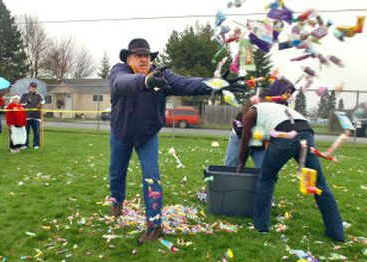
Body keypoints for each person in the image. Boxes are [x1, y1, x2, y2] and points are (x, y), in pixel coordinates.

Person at [109, 38, 217, 244]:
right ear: (128, 59)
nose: (143, 60)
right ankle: (117, 202)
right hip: (121, 133)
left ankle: (154, 225)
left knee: (152, 176)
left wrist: (216, 85)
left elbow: (186, 84)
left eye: (147, 56)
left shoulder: (161, 75)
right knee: (116, 173)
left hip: (147, 135)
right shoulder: (119, 71)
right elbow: (120, 84)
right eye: (138, 56)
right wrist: (145, 81)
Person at [237, 102, 345, 242]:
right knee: (319, 184)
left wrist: (242, 162)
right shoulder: (273, 108)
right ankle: (337, 234)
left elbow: (246, 140)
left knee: (266, 180)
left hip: (285, 137)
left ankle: (261, 227)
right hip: (306, 133)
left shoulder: (251, 113)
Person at [224, 78, 296, 168]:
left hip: (260, 142)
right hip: (241, 136)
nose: (289, 95)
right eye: (287, 92)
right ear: (279, 90)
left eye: (290, 93)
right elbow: (247, 124)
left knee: (264, 170)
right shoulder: (259, 101)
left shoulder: (283, 106)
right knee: (231, 167)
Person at [20, 82, 44, 149]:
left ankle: (36, 144)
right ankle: (25, 144)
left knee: (36, 132)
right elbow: (21, 103)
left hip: (36, 116)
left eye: (34, 87)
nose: (33, 88)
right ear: (29, 87)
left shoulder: (39, 95)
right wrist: (26, 102)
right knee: (25, 131)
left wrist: (40, 104)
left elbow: (43, 101)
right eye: (32, 87)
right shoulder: (24, 95)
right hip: (27, 116)